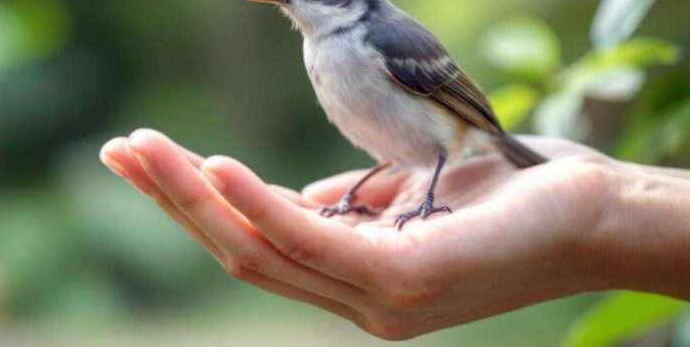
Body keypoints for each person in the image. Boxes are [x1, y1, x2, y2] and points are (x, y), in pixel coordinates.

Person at [99, 129, 690, 340]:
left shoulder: (380, 41)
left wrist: (599, 203)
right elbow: (392, 147)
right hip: (407, 152)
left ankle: (427, 193)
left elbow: (437, 137)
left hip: (455, 135)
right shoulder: (321, 53)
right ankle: (360, 196)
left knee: (427, 156)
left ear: (345, 0)